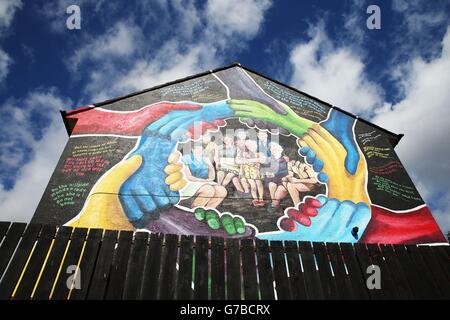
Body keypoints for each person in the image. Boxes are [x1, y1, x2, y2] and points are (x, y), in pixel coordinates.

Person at [180, 143, 227, 208]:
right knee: (208, 190)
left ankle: (209, 210)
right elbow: (188, 176)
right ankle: (195, 209)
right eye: (198, 149)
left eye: (202, 150)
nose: (200, 151)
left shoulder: (205, 158)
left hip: (204, 182)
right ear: (193, 150)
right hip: (190, 182)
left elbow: (212, 177)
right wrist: (203, 181)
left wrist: (210, 166)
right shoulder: (187, 158)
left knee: (222, 191)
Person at [236, 139, 266, 207]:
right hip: (247, 171)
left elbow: (263, 160)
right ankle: (255, 199)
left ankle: (261, 198)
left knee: (259, 183)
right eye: (248, 146)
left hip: (256, 172)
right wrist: (247, 161)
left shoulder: (259, 154)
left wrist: (249, 160)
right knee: (252, 185)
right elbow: (238, 161)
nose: (250, 148)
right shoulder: (244, 153)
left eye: (252, 146)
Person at [265, 142, 290, 212]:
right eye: (272, 150)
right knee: (271, 184)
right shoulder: (270, 160)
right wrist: (268, 173)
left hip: (284, 180)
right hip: (273, 180)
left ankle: (274, 204)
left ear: (280, 149)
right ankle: (274, 203)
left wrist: (275, 174)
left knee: (279, 192)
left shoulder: (286, 159)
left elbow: (289, 171)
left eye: (275, 149)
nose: (274, 151)